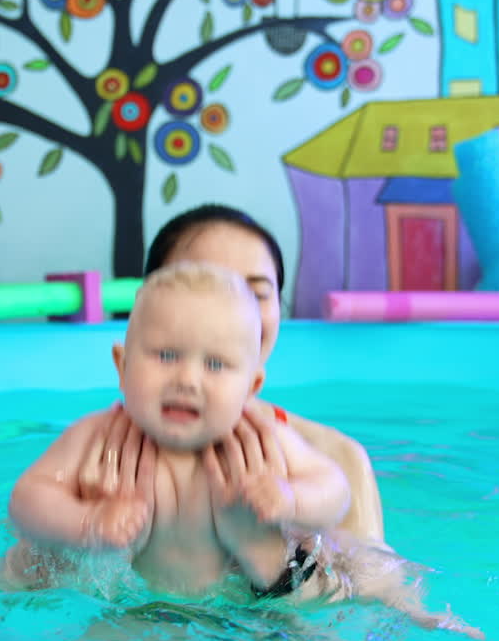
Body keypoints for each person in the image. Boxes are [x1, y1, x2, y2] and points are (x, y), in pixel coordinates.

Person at [7, 261, 354, 595]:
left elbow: (335, 488)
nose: (187, 380)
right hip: (132, 619)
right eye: (167, 356)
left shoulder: (264, 442)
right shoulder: (97, 435)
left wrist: (291, 498)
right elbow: (28, 497)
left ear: (251, 388)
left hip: (239, 615)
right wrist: (89, 522)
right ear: (122, 366)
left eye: (215, 364)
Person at [77, 204, 385, 541]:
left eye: (255, 293)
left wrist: (272, 560)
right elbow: (19, 583)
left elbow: (384, 589)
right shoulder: (94, 452)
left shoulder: (335, 459)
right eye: (203, 287)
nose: (231, 311)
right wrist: (83, 528)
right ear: (146, 306)